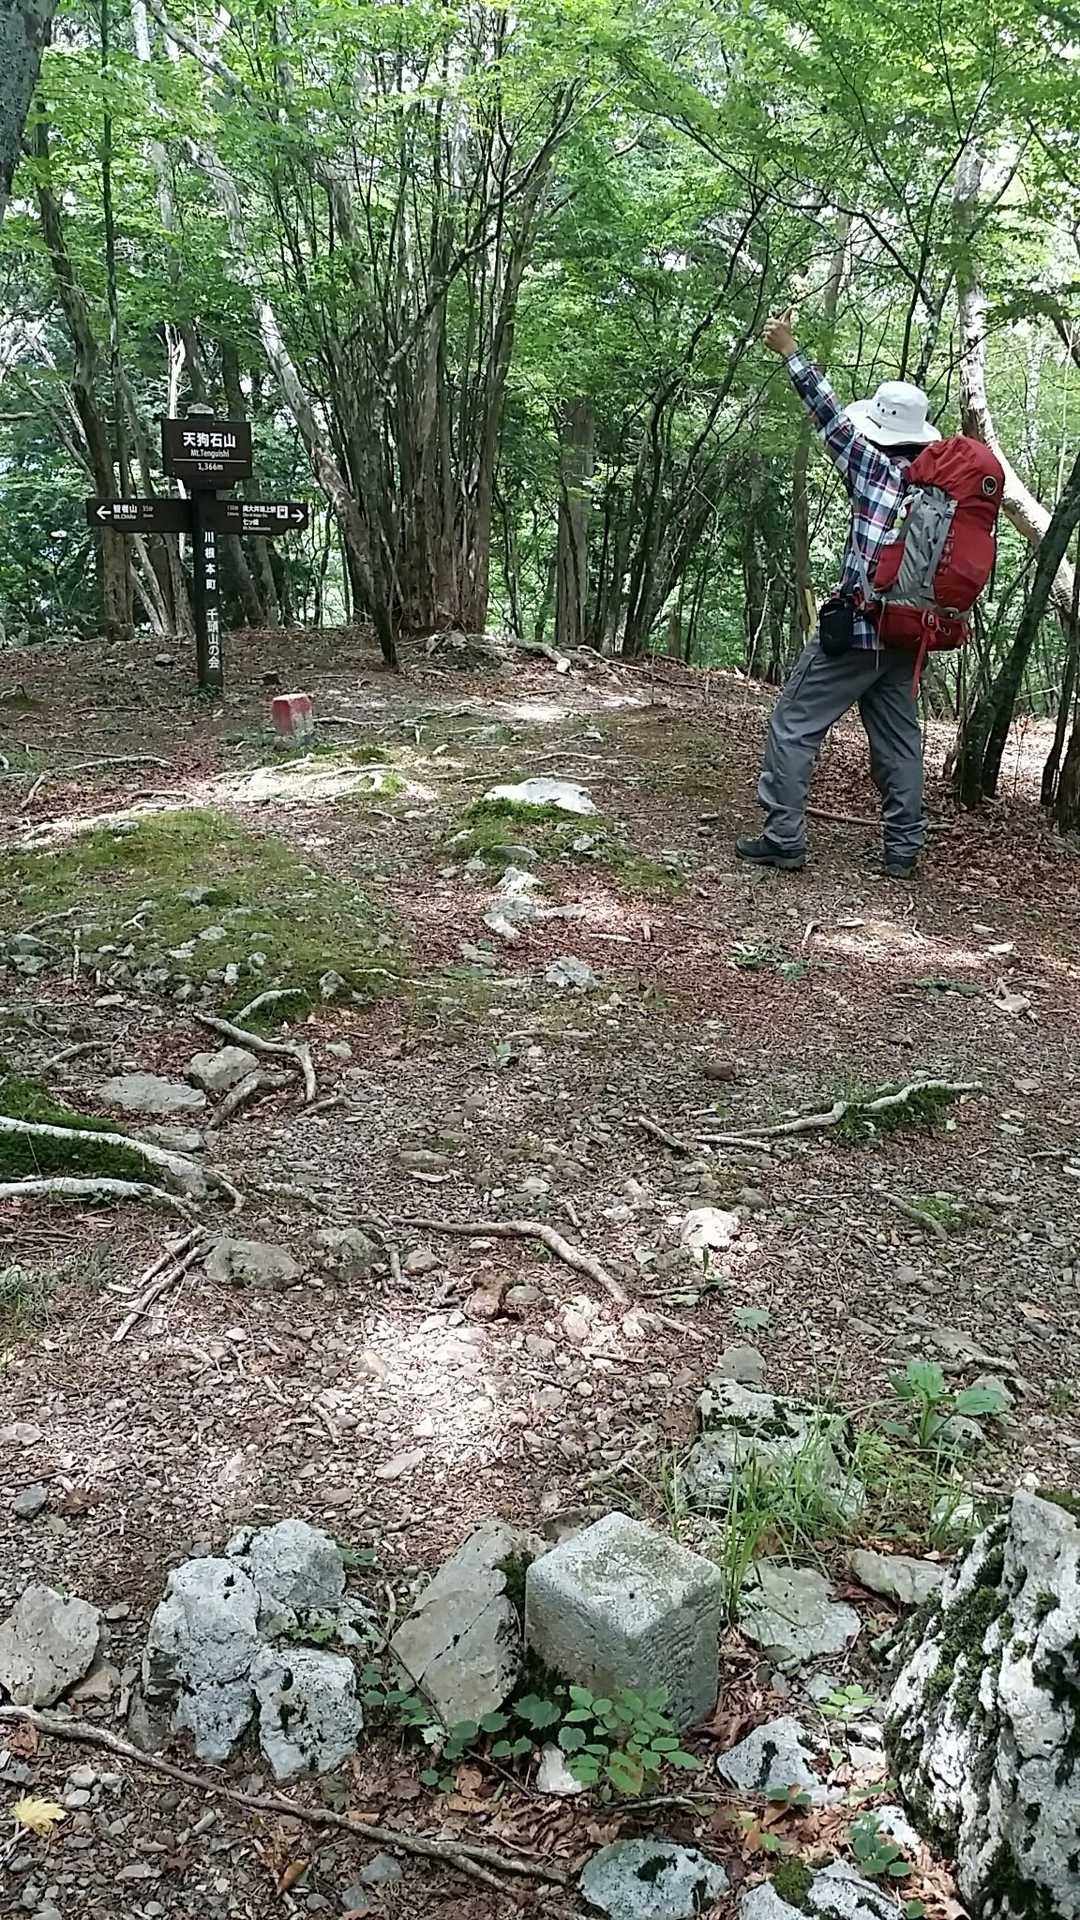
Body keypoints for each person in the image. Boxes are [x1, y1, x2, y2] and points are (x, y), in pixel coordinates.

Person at [736, 312, 941, 880]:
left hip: (856, 632)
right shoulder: (936, 488)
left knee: (793, 724)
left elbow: (828, 411)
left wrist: (790, 349)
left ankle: (784, 837)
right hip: (908, 636)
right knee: (899, 742)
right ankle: (903, 850)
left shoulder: (874, 468)